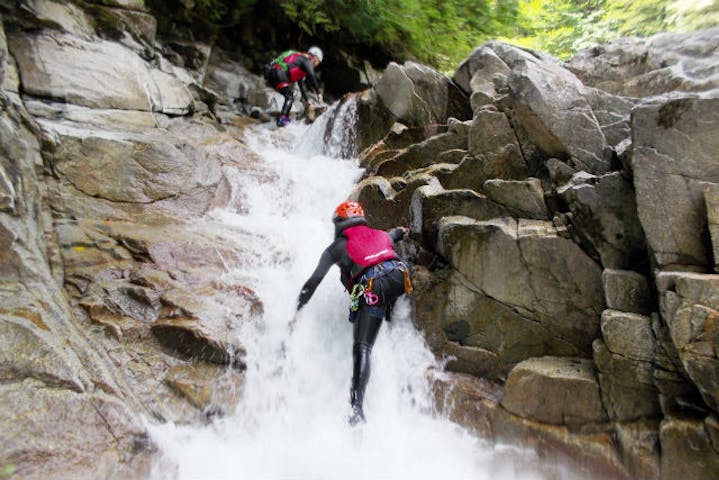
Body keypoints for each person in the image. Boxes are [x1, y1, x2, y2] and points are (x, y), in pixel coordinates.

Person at [296, 201, 414, 426]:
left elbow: (313, 282)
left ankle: (356, 409)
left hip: (373, 285)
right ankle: (389, 315)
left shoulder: (336, 248)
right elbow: (396, 233)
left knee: (363, 347)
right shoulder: (379, 234)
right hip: (401, 275)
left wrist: (296, 308)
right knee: (386, 299)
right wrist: (403, 231)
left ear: (339, 223)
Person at [264, 46, 324, 127]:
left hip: (272, 74)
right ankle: (282, 119)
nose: (316, 65)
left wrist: (307, 100)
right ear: (315, 58)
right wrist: (318, 93)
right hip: (279, 73)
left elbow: (301, 85)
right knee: (289, 96)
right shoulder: (307, 60)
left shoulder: (299, 61)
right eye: (318, 62)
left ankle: (283, 117)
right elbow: (312, 76)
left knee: (289, 95)